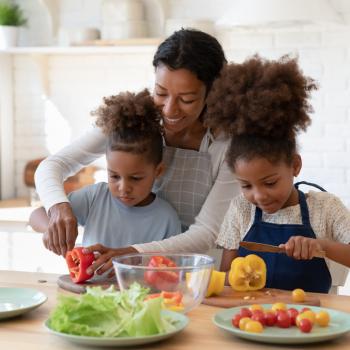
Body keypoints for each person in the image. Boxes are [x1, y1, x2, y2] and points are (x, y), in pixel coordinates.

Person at [34, 29, 241, 272]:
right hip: (128, 272)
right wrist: (58, 207)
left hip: (193, 273)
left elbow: (207, 232)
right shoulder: (133, 122)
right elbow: (53, 165)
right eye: (161, 93)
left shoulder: (228, 145)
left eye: (186, 99)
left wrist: (132, 254)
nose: (169, 109)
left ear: (212, 93)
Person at [204, 56, 350, 293]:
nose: (259, 196)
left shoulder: (325, 208)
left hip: (312, 320)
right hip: (254, 320)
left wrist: (320, 246)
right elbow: (226, 280)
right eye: (246, 186)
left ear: (294, 165)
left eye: (269, 182)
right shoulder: (240, 209)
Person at [30, 90, 181, 249]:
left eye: (135, 178)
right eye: (114, 176)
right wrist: (51, 228)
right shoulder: (95, 198)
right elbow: (36, 215)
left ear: (157, 171)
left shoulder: (167, 219)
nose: (124, 188)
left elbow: (171, 267)